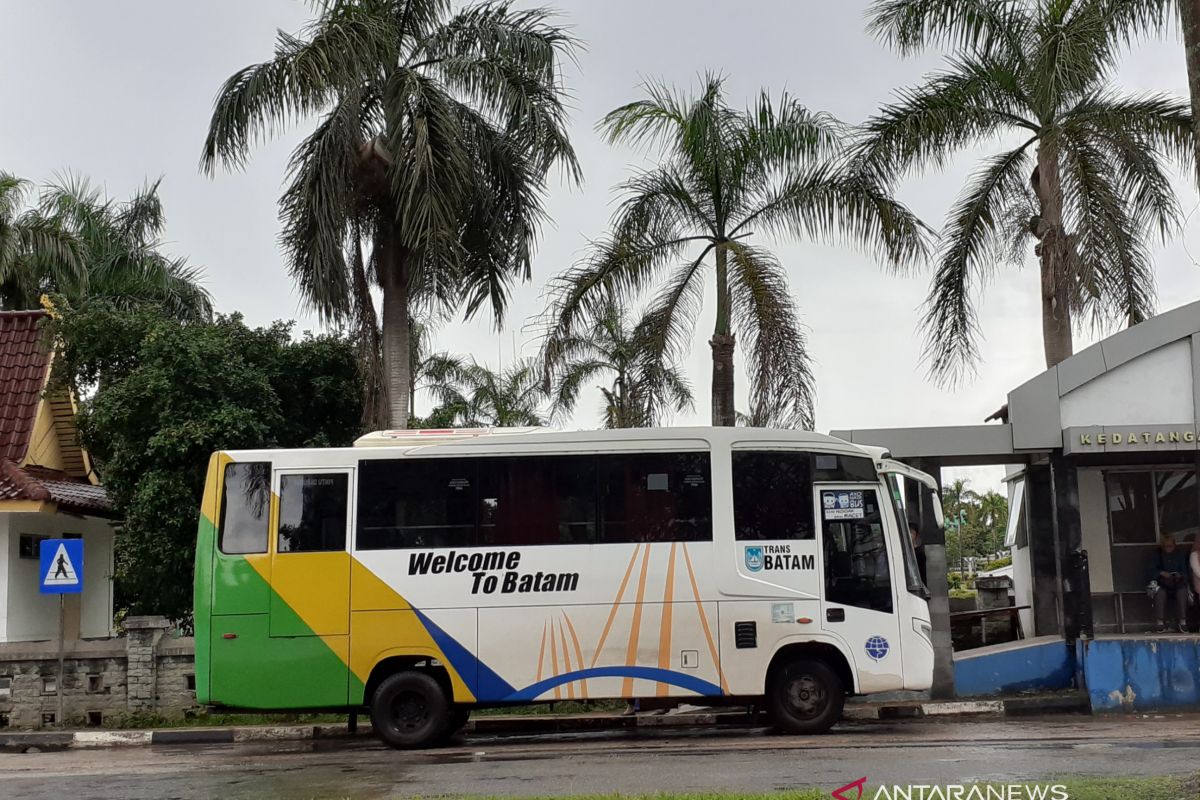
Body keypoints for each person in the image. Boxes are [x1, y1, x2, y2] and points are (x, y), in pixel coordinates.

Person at [1149, 534, 1189, 632]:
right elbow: (1151, 570)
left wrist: (1179, 575)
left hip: (1177, 582)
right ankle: (1160, 622)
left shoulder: (1179, 554)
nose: (1169, 548)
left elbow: (1185, 572)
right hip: (1161, 583)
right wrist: (1161, 573)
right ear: (1162, 546)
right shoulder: (1156, 554)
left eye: (1171, 546)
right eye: (1166, 546)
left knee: (1182, 592)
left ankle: (1183, 621)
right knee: (1160, 593)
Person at [910, 522, 928, 586]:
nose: (910, 535)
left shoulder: (920, 553)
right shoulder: (904, 552)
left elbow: (923, 574)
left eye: (912, 533)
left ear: (915, 535)